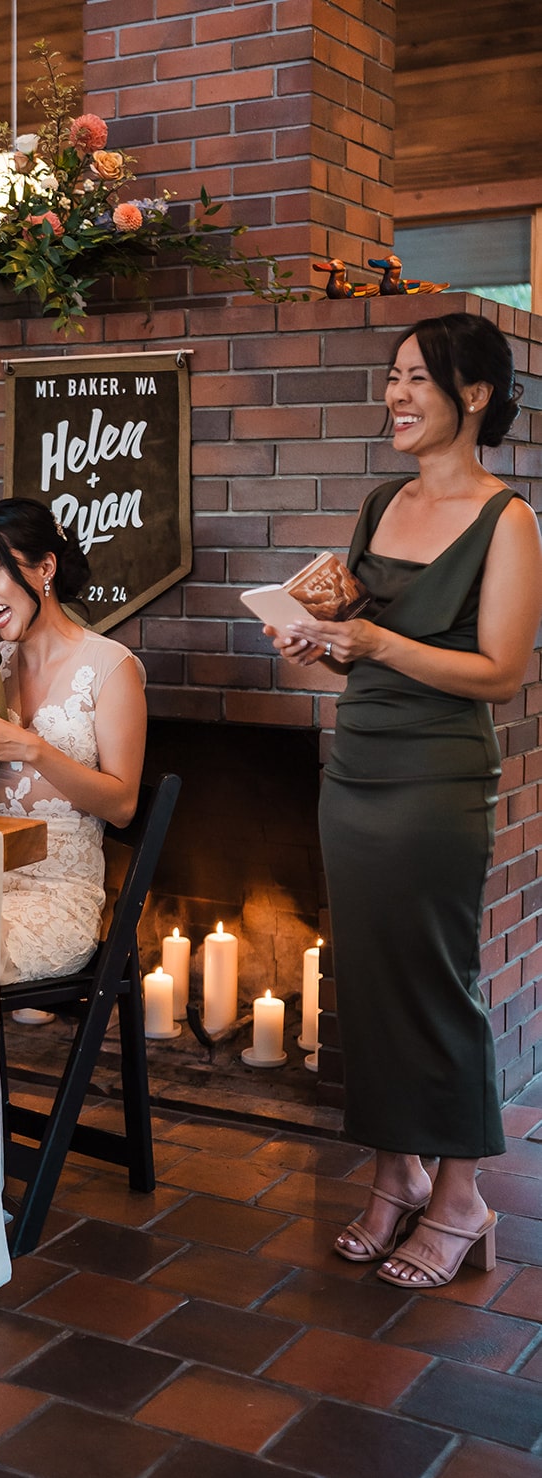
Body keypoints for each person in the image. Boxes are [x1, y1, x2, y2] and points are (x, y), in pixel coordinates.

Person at [267, 312, 542, 1290]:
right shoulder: (381, 498)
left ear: (471, 394)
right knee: (365, 981)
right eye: (388, 379)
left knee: (434, 984)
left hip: (434, 780)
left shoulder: (509, 520)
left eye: (413, 380)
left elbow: (498, 671)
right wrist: (319, 618)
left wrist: (372, 643)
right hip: (357, 768)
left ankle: (460, 1195)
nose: (391, 395)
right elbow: (356, 625)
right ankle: (394, 1176)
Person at [0, 498, 147, 986]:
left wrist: (29, 746)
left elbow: (122, 806)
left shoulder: (109, 667)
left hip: (57, 897)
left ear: (45, 567)